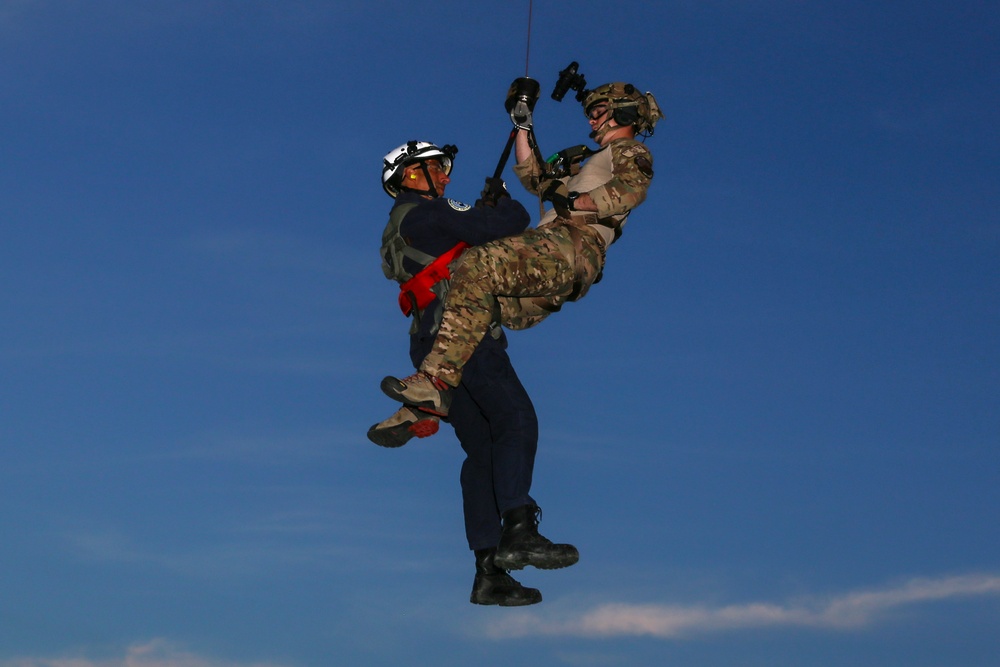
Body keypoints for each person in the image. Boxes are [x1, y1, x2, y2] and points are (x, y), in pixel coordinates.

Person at [379, 81, 659, 434]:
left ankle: (434, 382)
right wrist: (522, 126)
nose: (591, 121)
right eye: (590, 114)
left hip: (569, 245)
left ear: (624, 112)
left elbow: (630, 190)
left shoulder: (628, 151)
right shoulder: (588, 164)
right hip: (555, 259)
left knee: (476, 264)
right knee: (467, 304)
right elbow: (537, 179)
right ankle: (427, 407)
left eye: (598, 112)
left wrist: (575, 204)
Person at [367, 140, 578, 606]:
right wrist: (503, 201)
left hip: (427, 341)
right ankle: (519, 529)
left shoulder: (399, 227)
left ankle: (488, 573)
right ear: (409, 176)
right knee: (516, 420)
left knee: (482, 453)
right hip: (462, 336)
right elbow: (505, 224)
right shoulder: (423, 214)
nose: (444, 176)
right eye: (435, 168)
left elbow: (468, 237)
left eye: (444, 167)